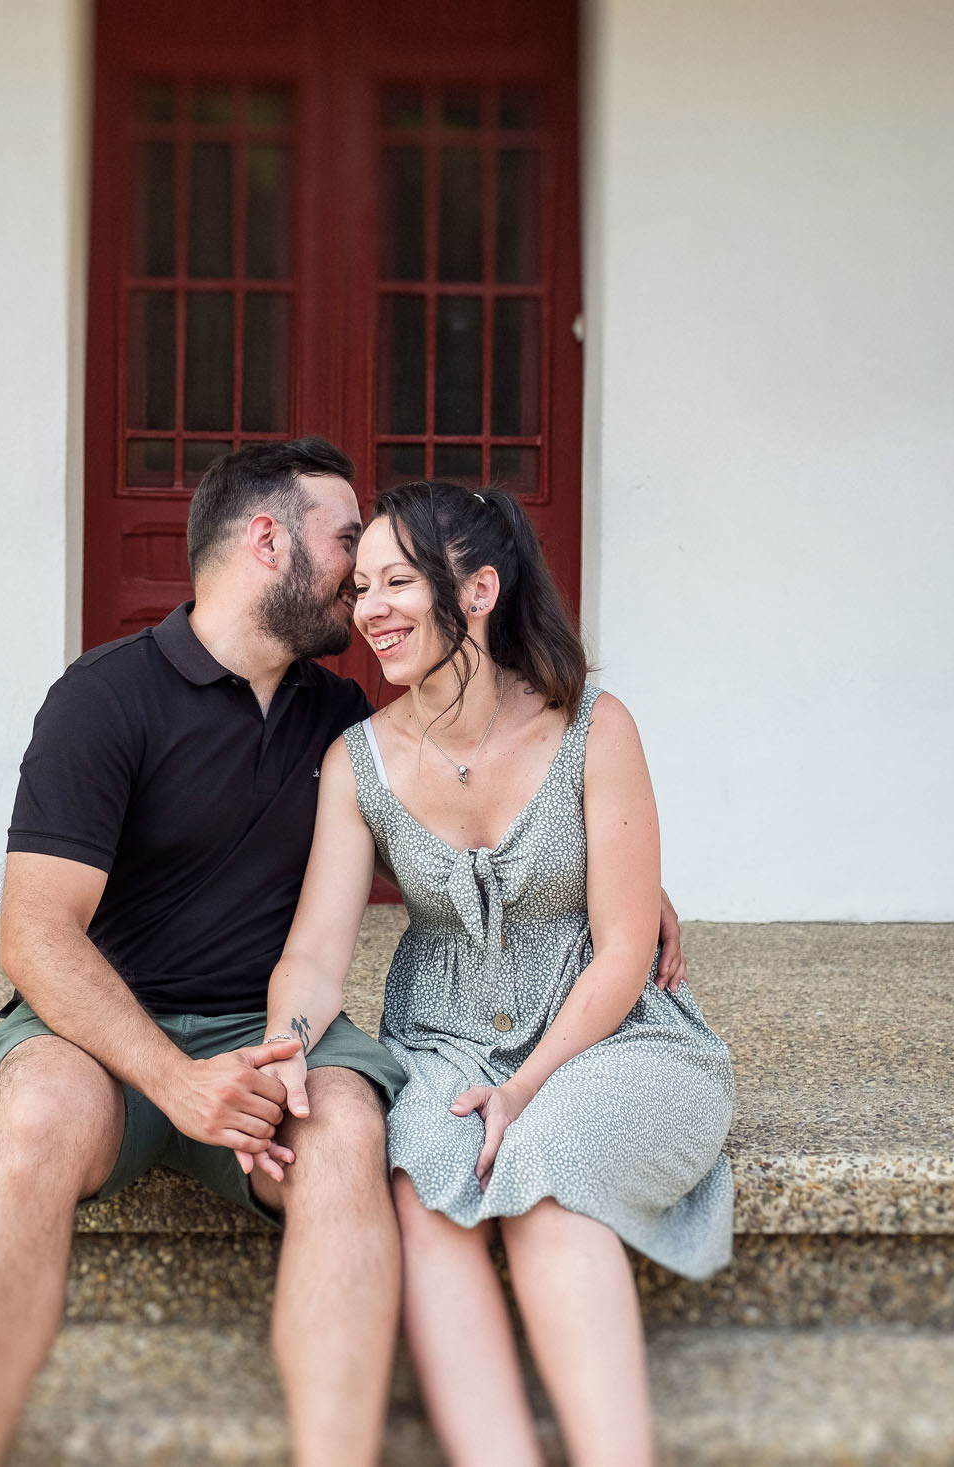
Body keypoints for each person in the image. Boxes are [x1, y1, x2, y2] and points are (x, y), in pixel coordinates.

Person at [0, 440, 690, 1466]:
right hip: (101, 1034)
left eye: (385, 572)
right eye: (346, 549)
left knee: (346, 1136)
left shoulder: (339, 717)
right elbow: (33, 935)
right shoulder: (103, 698)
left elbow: (474, 783)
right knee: (38, 1119)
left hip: (274, 1029)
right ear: (268, 540)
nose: (360, 588)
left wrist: (621, 874)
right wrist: (173, 1077)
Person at [250, 480, 734, 1467]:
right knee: (422, 1193)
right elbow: (315, 953)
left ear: (476, 591)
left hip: (611, 1033)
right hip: (442, 1042)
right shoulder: (358, 761)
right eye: (362, 586)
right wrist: (285, 1048)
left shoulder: (593, 726)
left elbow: (624, 947)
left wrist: (524, 1086)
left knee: (548, 1172)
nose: (370, 608)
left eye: (397, 581)